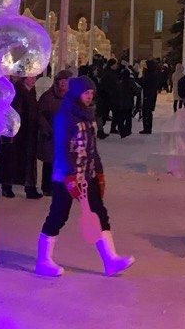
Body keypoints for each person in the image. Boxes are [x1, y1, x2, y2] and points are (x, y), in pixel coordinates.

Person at [35, 76, 135, 278]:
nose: (90, 96)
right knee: (58, 215)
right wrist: (70, 176)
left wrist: (98, 172)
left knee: (99, 213)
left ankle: (110, 259)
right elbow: (61, 149)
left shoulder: (88, 115)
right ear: (76, 93)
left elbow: (92, 148)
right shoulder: (65, 116)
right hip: (65, 177)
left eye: (91, 93)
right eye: (86, 93)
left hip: (87, 176)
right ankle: (43, 260)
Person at [0, 76, 42, 198]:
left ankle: (28, 187)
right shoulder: (18, 90)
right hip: (18, 133)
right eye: (31, 77)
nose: (34, 79)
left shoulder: (30, 90)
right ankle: (8, 186)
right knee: (12, 159)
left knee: (27, 160)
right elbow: (15, 111)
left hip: (28, 132)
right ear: (24, 78)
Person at [37, 74, 67, 193]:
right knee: (50, 161)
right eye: (62, 81)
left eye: (66, 81)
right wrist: (47, 129)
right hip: (51, 133)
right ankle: (47, 187)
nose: (64, 84)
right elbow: (40, 114)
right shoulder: (48, 96)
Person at [137, 60, 160, 134]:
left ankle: (146, 128)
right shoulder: (154, 73)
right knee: (149, 112)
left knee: (146, 112)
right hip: (151, 95)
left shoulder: (149, 74)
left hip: (148, 95)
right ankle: (148, 128)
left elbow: (144, 83)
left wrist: (140, 78)